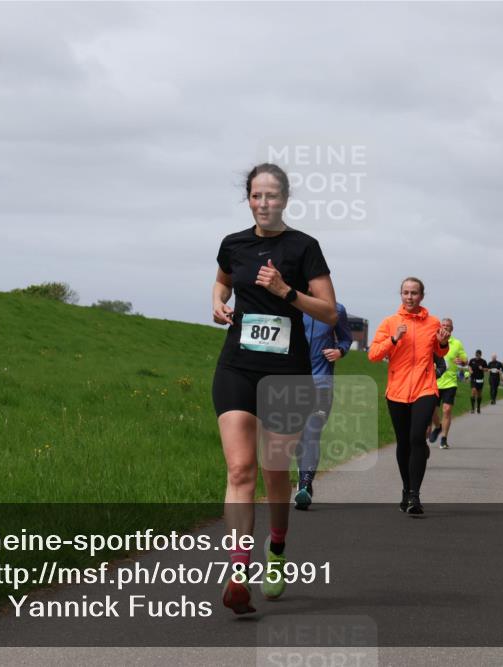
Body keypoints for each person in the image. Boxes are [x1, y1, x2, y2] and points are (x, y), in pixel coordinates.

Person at [212, 163, 337, 614]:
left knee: (274, 471)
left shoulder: (304, 248)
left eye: (271, 196)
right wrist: (216, 303)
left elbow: (328, 313)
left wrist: (286, 292)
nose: (264, 204)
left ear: (285, 199)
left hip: (288, 372)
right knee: (241, 470)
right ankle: (238, 571)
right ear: (248, 199)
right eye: (256, 196)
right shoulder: (234, 244)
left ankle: (277, 550)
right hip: (237, 367)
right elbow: (224, 280)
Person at [369, 277, 450, 515]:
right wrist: (394, 339)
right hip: (397, 390)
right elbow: (373, 354)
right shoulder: (390, 322)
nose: (409, 297)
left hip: (425, 388)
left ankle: (415, 494)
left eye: (414, 293)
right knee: (403, 442)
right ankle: (406, 489)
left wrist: (443, 342)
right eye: (405, 292)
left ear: (422, 296)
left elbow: (439, 351)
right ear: (401, 295)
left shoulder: (433, 322)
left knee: (417, 438)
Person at [294, 302, 352, 510]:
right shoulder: (290, 303)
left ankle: (305, 484)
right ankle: (302, 482)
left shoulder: (336, 309)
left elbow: (346, 338)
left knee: (311, 432)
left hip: (321, 383)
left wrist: (340, 351)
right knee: (299, 437)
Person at [428, 317, 467, 449]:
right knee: (431, 410)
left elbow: (465, 360)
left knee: (447, 409)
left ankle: (444, 438)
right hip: (434, 381)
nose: (445, 327)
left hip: (450, 381)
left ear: (452, 328)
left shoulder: (456, 343)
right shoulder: (434, 340)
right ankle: (438, 426)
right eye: (443, 325)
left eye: (448, 325)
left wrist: (462, 362)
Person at [467, 349, 489, 414]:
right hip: (474, 379)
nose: (477, 356)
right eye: (476, 354)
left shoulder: (483, 361)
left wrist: (482, 368)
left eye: (478, 355)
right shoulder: (472, 360)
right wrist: (470, 370)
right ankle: (472, 408)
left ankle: (478, 407)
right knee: (473, 391)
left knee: (479, 394)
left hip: (480, 379)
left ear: (480, 355)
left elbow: (487, 369)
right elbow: (469, 366)